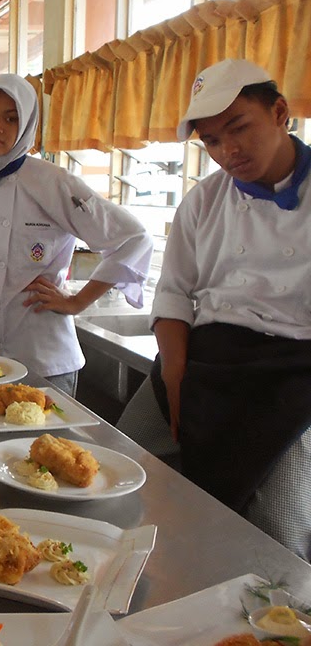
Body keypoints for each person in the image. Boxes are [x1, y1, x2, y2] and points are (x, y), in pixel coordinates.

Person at [149, 58, 311, 560]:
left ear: (280, 112)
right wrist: (175, 376)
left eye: (238, 128)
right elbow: (174, 294)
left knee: (277, 527)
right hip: (206, 358)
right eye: (213, 141)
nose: (229, 151)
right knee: (129, 467)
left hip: (295, 371)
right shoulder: (203, 201)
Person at [0, 74, 152, 396]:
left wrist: (77, 302)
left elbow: (133, 238)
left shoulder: (53, 182)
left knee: (45, 446)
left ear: (28, 124)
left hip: (39, 359)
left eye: (10, 118)